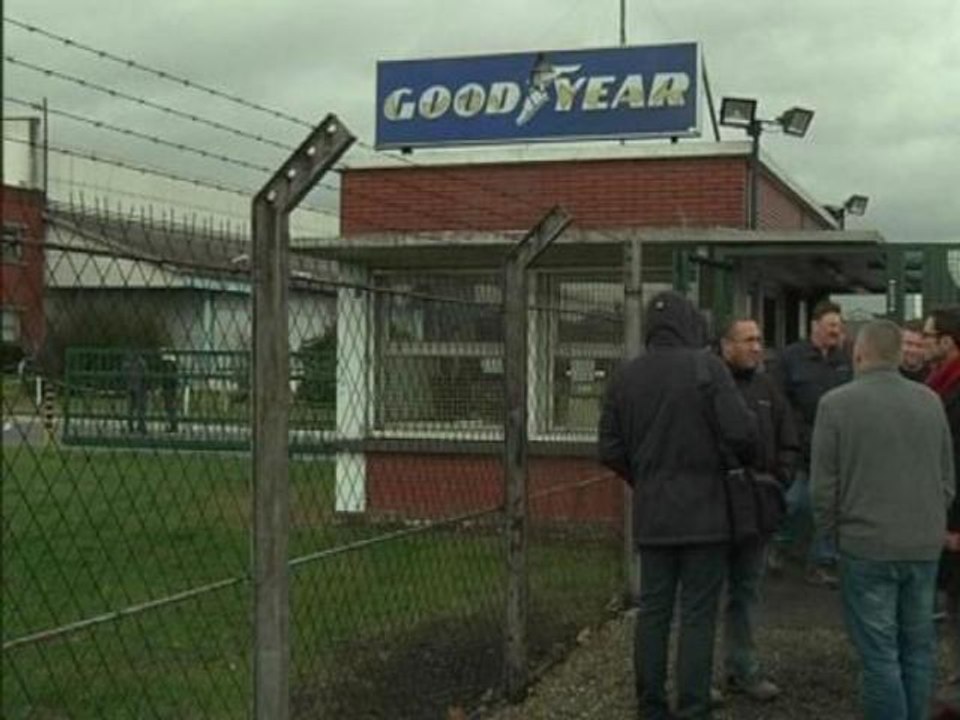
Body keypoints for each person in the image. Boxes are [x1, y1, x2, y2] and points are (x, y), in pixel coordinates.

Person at [599, 291, 758, 720]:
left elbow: (609, 449)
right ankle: (693, 706)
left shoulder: (625, 377)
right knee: (698, 615)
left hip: (653, 514)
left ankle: (650, 706)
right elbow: (743, 434)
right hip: (706, 514)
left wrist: (645, 478)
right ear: (691, 323)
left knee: (653, 612)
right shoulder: (708, 368)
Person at [811, 319, 954, 720]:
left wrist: (831, 535)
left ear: (859, 353)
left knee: (878, 653)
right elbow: (947, 478)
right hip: (923, 547)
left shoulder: (835, 405)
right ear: (897, 355)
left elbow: (823, 488)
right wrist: (928, 520)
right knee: (918, 647)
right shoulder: (930, 401)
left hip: (865, 546)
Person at [718, 318, 799, 703]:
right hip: (715, 509)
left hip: (758, 509)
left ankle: (743, 669)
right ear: (725, 345)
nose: (756, 347)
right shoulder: (710, 386)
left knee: (747, 591)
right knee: (708, 595)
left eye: (759, 340)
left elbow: (789, 436)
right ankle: (698, 676)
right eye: (748, 340)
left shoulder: (768, 388)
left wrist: (780, 478)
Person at [772, 299, 852, 586]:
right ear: (815, 326)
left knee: (826, 506)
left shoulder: (845, 360)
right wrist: (795, 435)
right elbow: (779, 400)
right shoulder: (790, 357)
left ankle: (820, 563)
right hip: (800, 445)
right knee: (796, 502)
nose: (836, 331)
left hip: (834, 447)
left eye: (838, 326)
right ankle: (780, 543)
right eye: (831, 325)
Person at [923, 307, 960, 711]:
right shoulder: (939, 386)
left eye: (931, 336)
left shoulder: (952, 390)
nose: (925, 341)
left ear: (949, 342)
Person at [123, 350, 147, 434]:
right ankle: (136, 426)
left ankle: (137, 426)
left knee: (135, 408)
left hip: (135, 387)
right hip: (136, 387)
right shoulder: (139, 363)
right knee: (136, 408)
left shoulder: (130, 364)